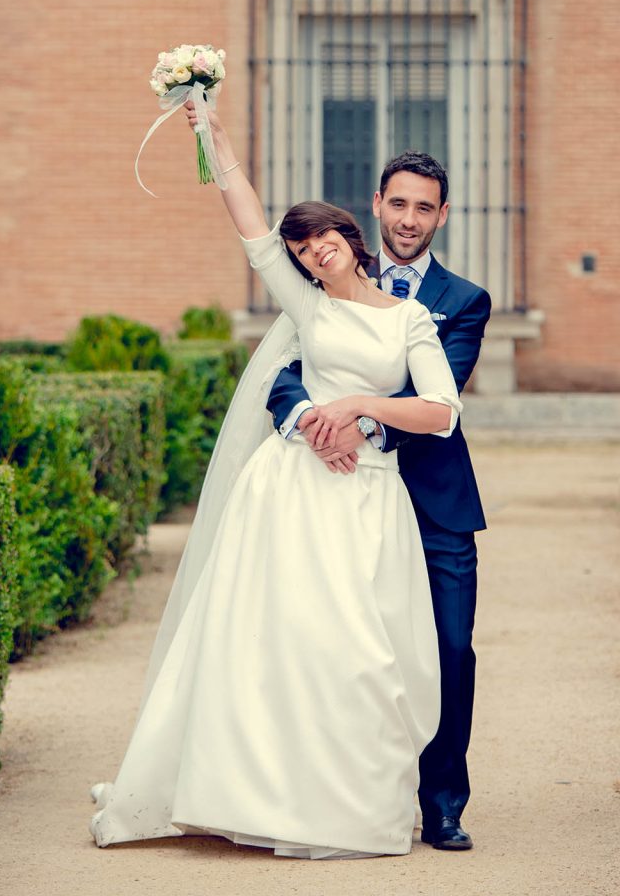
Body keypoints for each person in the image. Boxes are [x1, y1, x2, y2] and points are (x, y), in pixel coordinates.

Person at [90, 107, 462, 859]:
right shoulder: (307, 305)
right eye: (301, 246)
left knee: (365, 654)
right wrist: (214, 136)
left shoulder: (412, 322)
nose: (314, 249)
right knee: (282, 643)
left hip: (369, 496)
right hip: (291, 491)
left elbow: (441, 412)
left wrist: (359, 406)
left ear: (350, 236)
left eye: (323, 236)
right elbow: (249, 223)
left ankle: (349, 804)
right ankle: (258, 794)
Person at [267, 151, 491, 851]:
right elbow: (286, 372)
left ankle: (443, 803)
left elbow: (438, 393)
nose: (409, 219)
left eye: (424, 208)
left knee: (448, 648)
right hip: (346, 495)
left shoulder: (464, 301)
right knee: (349, 645)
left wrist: (357, 420)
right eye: (399, 204)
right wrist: (308, 418)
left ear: (442, 215)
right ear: (376, 204)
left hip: (435, 501)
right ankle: (361, 792)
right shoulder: (325, 276)